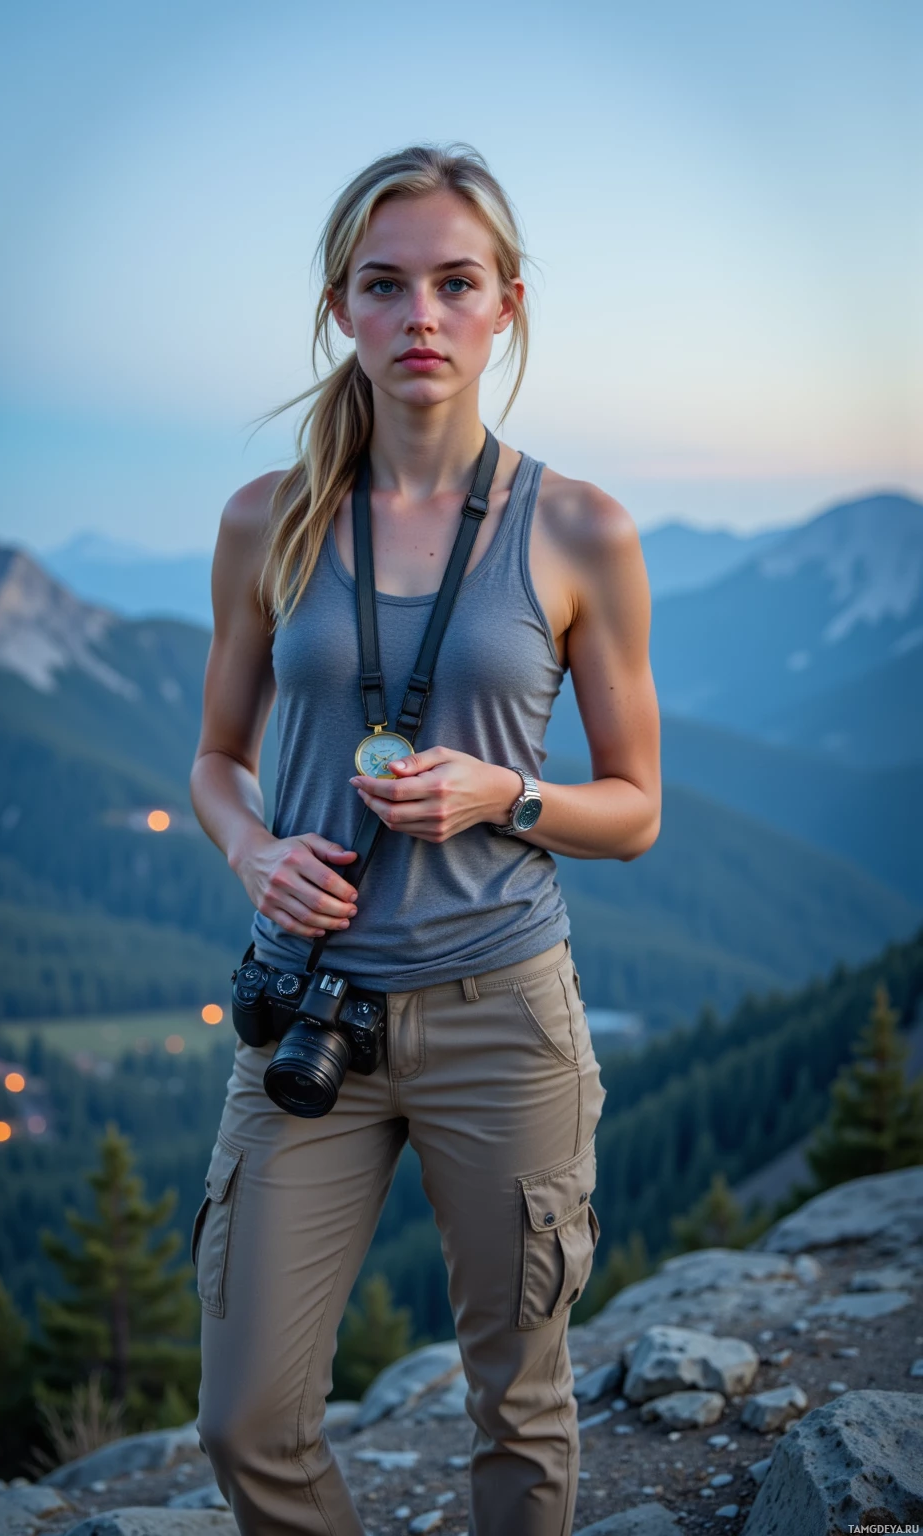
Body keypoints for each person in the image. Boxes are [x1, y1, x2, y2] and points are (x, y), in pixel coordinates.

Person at [189, 143, 661, 1536]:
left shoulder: (578, 527)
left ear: (507, 302)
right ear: (343, 305)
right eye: (386, 286)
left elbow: (635, 809)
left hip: (502, 1014)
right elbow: (217, 764)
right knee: (247, 1420)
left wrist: (501, 796)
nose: (422, 318)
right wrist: (251, 852)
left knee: (519, 1406)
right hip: (305, 1013)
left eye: (456, 284)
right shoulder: (264, 521)